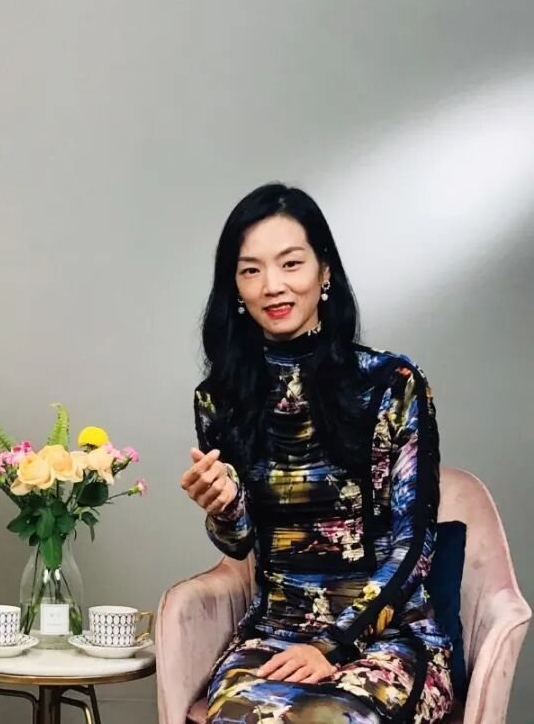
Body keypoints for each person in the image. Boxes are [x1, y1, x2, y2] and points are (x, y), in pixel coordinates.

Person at [181, 183, 452, 723]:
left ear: (324, 270)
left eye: (291, 263)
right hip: (275, 635)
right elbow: (240, 544)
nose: (272, 286)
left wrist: (331, 644)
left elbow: (415, 544)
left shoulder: (391, 383)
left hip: (385, 637)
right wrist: (225, 507)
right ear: (235, 286)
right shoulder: (221, 399)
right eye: (251, 270)